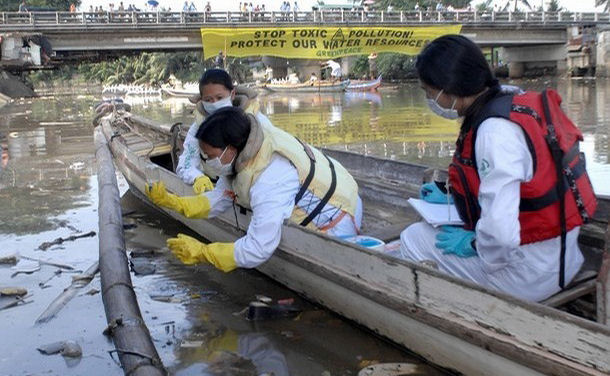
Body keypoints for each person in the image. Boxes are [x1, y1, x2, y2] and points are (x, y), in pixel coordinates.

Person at [399, 35, 597, 302]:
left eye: (428, 91)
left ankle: (464, 312)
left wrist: (473, 243)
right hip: (565, 256)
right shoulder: (513, 100)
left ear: (448, 88)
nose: (429, 99)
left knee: (412, 239)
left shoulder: (493, 133)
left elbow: (500, 238)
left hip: (532, 276)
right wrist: (453, 198)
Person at [147, 106, 363, 272]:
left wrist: (205, 252)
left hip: (337, 222)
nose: (206, 161)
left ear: (230, 149)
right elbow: (219, 198)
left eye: (210, 156)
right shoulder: (247, 151)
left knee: (268, 232)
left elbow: (258, 249)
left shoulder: (270, 179)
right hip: (342, 190)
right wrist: (173, 202)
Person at [176, 69, 263, 194]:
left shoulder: (255, 121)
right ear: (201, 100)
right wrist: (197, 177)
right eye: (208, 100)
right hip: (213, 185)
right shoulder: (198, 128)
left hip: (251, 188)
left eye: (219, 97)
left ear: (232, 94)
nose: (215, 103)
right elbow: (187, 163)